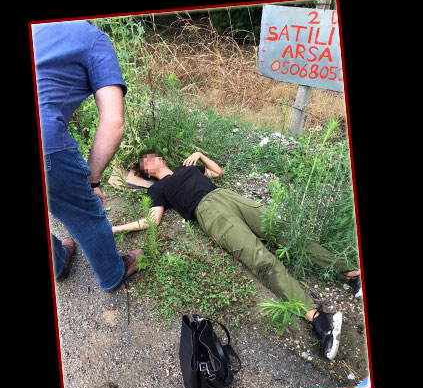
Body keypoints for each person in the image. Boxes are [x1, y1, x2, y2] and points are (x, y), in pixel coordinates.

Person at [112, 150, 360, 360]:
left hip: (228, 197)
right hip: (210, 214)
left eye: (152, 156)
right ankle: (318, 319)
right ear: (147, 172)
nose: (151, 159)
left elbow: (217, 173)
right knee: (259, 258)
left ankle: (349, 273)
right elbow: (151, 220)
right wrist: (115, 228)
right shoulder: (158, 189)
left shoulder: (187, 168)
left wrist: (199, 155)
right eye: (146, 162)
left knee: (283, 233)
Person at [33, 20, 143, 290]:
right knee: (87, 213)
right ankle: (113, 273)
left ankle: (58, 261)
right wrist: (91, 182)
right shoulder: (92, 38)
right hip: (46, 142)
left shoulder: (37, 29)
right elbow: (114, 122)